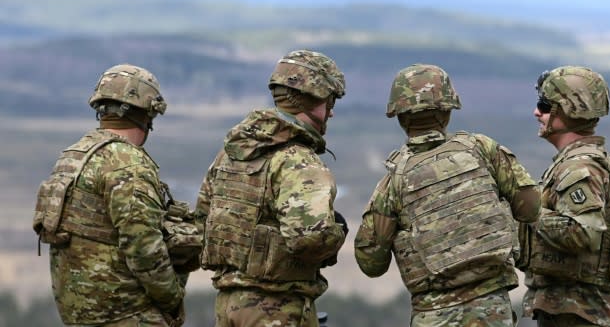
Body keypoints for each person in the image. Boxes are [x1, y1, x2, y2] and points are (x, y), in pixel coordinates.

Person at [354, 63, 542, 326]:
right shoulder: (482, 150)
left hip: (433, 316)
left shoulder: (393, 182)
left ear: (400, 117)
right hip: (492, 311)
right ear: (447, 111)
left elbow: (371, 263)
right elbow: (530, 208)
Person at [195, 49, 349, 327]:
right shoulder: (298, 161)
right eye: (330, 100)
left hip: (227, 305)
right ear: (315, 97)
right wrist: (336, 233)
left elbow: (202, 219)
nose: (331, 111)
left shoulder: (232, 152)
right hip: (276, 308)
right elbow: (308, 240)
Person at [32, 64, 190, 327]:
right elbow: (144, 249)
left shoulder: (73, 155)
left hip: (79, 315)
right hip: (126, 314)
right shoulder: (128, 164)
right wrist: (172, 299)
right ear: (147, 113)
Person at [518, 66, 610, 327]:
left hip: (573, 312)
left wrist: (529, 212)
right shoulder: (586, 161)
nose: (537, 112)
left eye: (545, 106)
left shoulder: (579, 167)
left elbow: (583, 232)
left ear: (569, 110)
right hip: (571, 309)